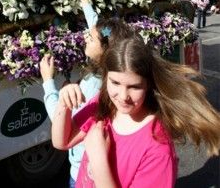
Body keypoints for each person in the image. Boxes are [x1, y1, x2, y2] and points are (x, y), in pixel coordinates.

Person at [52, 30, 220, 188]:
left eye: (134, 86)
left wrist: (98, 158)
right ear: (105, 78)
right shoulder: (104, 104)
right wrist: (64, 103)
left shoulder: (157, 149)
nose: (123, 96)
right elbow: (62, 141)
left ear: (148, 85)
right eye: (115, 83)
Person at [40, 0, 127, 188]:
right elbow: (99, 29)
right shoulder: (109, 67)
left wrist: (48, 82)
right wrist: (84, 0)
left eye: (92, 38)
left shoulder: (95, 85)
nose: (87, 36)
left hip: (84, 174)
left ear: (105, 48)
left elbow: (64, 123)